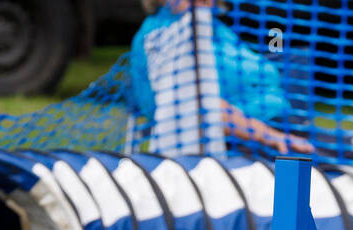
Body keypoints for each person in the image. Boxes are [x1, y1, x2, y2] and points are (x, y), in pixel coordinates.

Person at [129, 0, 314, 156]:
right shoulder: (160, 36)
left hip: (284, 128)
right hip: (236, 145)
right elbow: (195, 106)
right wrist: (270, 135)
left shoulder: (215, 27)